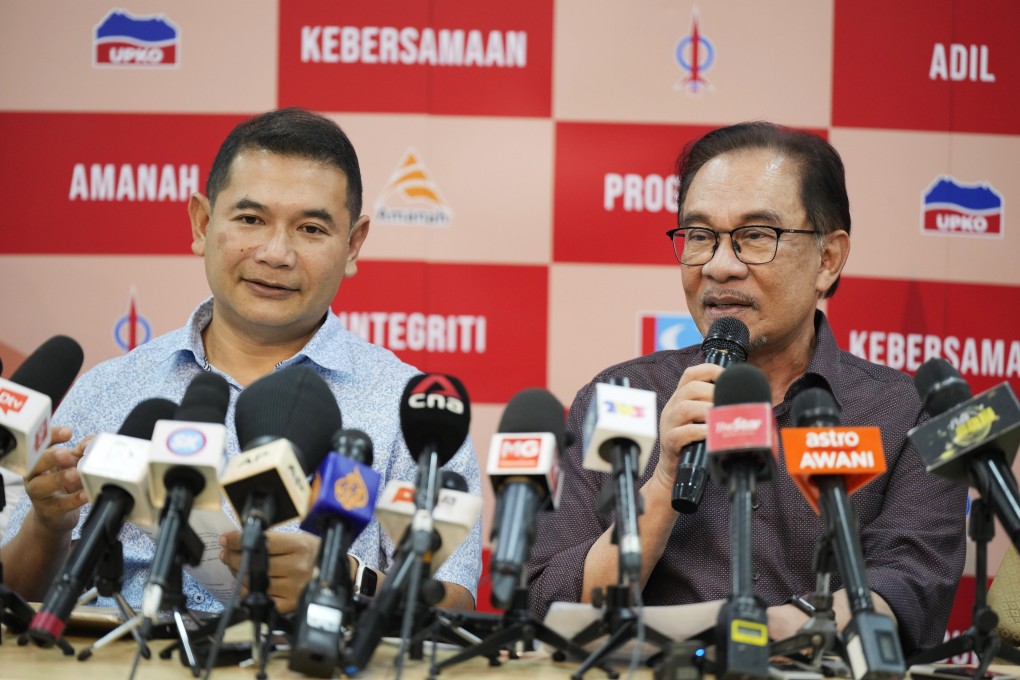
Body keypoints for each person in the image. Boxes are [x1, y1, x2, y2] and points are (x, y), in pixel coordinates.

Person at [0, 108, 481, 614]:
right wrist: (48, 524)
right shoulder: (111, 388)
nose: (276, 254)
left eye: (311, 229)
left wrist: (346, 580)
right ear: (203, 224)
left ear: (353, 245)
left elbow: (455, 609)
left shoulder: (412, 412)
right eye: (251, 219)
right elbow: (14, 598)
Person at [527, 121, 967, 657]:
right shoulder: (624, 395)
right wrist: (664, 481)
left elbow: (913, 588)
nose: (719, 265)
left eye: (755, 236)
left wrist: (777, 630)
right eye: (699, 236)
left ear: (828, 259)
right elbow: (549, 603)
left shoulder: (904, 413)